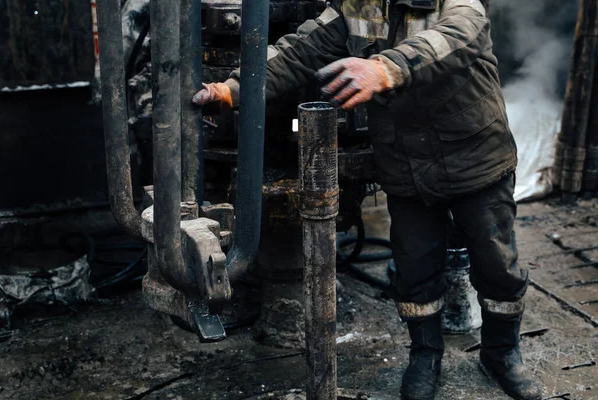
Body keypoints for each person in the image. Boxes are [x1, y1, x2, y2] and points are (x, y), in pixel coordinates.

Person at [192, 1, 541, 399]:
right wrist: (232, 89)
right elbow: (300, 49)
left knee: (497, 264)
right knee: (415, 268)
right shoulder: (357, 5)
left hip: (473, 154)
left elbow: (457, 35)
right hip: (405, 162)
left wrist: (383, 68)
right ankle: (425, 356)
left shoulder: (457, 3)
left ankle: (502, 354)